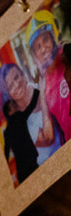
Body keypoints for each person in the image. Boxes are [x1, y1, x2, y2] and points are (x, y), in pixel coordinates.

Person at [0, 62, 56, 184]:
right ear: (8, 94)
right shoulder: (17, 122)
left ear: (23, 74)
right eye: (10, 86)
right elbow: (48, 138)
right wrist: (43, 100)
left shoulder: (42, 87)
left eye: (16, 77)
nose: (16, 84)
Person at [29, 12, 71, 144]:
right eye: (37, 47)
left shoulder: (68, 53)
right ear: (34, 55)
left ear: (53, 36)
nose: (43, 49)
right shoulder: (42, 86)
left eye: (45, 40)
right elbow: (50, 135)